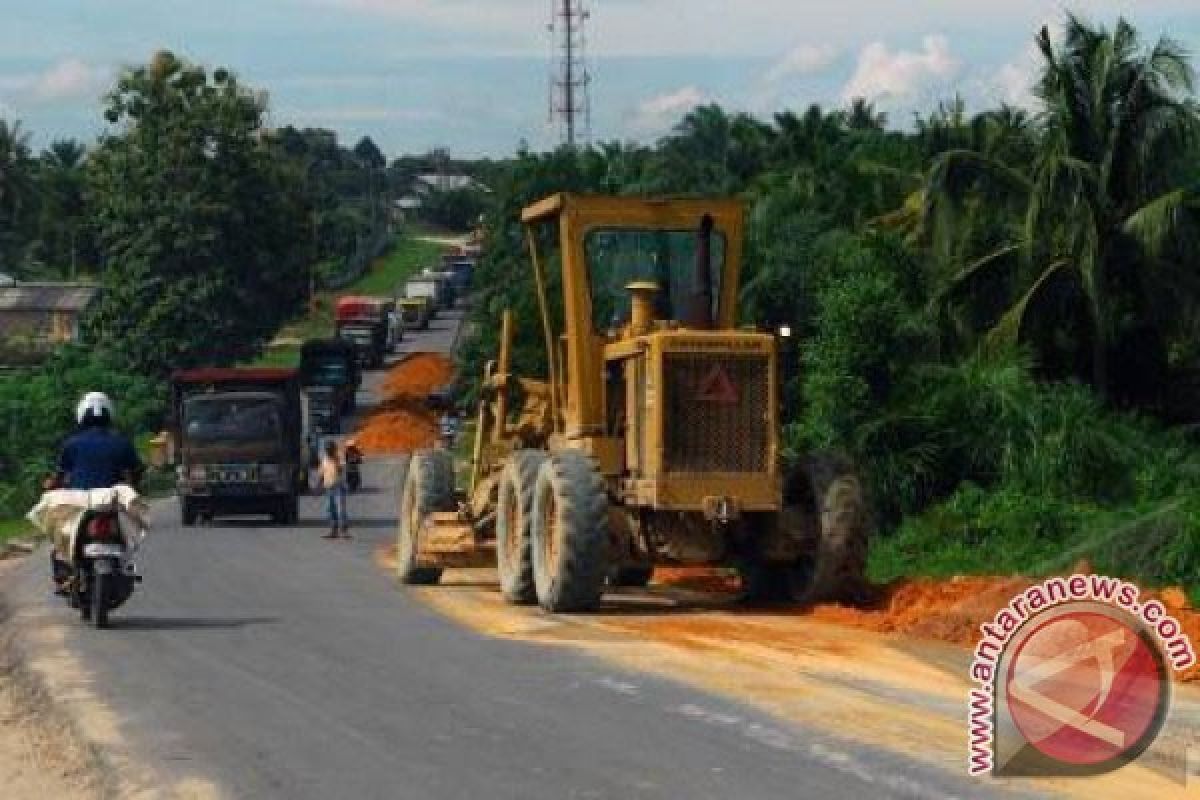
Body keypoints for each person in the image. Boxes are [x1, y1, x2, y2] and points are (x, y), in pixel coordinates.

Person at [48, 391, 145, 590]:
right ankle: (126, 568)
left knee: (60, 536)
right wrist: (133, 486)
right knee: (131, 534)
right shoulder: (122, 442)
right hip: (111, 502)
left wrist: (53, 485)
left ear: (81, 415)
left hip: (80, 503)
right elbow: (137, 471)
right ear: (109, 414)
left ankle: (65, 575)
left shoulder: (71, 444)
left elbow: (58, 476)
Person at [317, 439, 350, 539]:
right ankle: (333, 530)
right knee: (330, 509)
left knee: (341, 510)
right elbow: (321, 473)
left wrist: (335, 461)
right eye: (327, 450)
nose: (328, 451)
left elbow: (341, 470)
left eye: (330, 449)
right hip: (328, 487)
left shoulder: (339, 458)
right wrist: (318, 486)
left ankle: (343, 531)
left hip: (338, 487)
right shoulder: (325, 459)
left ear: (334, 449)